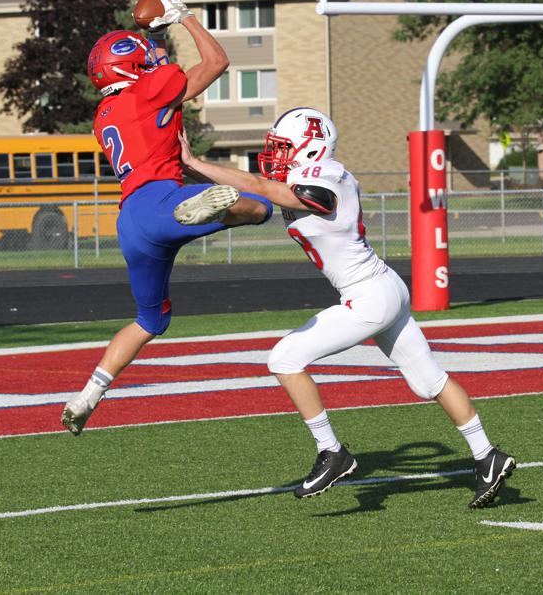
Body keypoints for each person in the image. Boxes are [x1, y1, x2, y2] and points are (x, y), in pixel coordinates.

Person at [173, 107, 516, 509]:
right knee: (429, 381)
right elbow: (253, 193)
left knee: (284, 358)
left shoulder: (326, 176)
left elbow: (258, 186)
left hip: (369, 295)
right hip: (382, 287)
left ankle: (332, 452)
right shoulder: (304, 178)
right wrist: (190, 174)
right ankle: (487, 456)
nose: (276, 155)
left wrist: (195, 161)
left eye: (284, 147)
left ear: (311, 147)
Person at [61, 0, 273, 435]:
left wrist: (152, 36)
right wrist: (186, 19)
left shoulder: (105, 114)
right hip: (164, 201)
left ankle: (88, 396)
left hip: (131, 221)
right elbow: (215, 63)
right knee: (260, 208)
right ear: (133, 66)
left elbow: (154, 72)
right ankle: (217, 209)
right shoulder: (148, 92)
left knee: (150, 321)